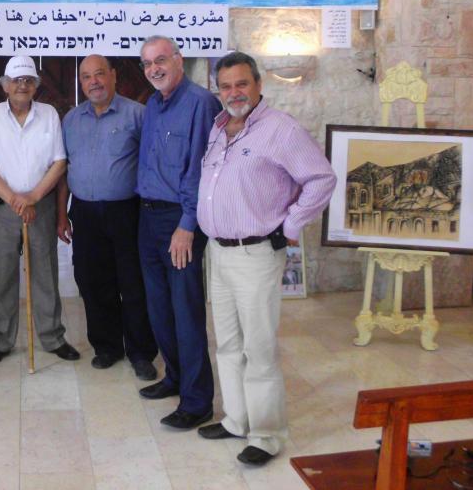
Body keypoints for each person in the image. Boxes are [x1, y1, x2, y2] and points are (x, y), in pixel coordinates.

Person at [196, 51, 335, 466]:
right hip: (218, 253)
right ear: (218, 90)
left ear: (258, 85)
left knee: (258, 348)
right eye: (226, 86)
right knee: (227, 344)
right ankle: (237, 419)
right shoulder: (219, 128)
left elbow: (321, 179)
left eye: (241, 84)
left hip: (256, 254)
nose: (233, 92)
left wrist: (290, 226)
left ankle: (267, 433)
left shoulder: (280, 129)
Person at [136, 35, 221, 430]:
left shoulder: (201, 103)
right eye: (147, 63)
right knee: (159, 307)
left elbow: (202, 169)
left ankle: (198, 400)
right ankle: (174, 377)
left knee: (186, 311)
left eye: (160, 60)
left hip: (179, 221)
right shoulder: (152, 105)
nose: (154, 68)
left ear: (179, 59)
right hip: (148, 217)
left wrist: (187, 225)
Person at [57, 54, 158, 380]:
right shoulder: (71, 120)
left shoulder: (138, 115)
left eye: (100, 74)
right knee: (91, 280)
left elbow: (154, 164)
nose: (94, 82)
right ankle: (107, 347)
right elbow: (63, 170)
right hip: (84, 213)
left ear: (114, 76)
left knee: (133, 283)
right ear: (81, 82)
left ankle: (141, 352)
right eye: (87, 77)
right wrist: (62, 214)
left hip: (126, 212)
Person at [0, 55, 80, 365]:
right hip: (3, 208)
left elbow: (59, 162)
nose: (22, 85)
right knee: (1, 275)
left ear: (36, 85)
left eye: (28, 80)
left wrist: (33, 196)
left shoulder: (49, 115)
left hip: (41, 206)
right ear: (5, 85)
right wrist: (15, 199)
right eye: (16, 80)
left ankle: (52, 337)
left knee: (45, 274)